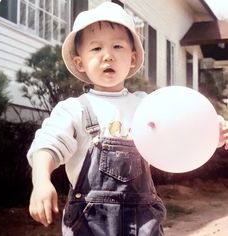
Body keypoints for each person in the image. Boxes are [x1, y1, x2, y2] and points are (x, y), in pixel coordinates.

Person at [27, 2, 228, 236]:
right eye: (96, 49)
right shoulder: (75, 109)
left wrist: (213, 133)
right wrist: (41, 181)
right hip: (90, 223)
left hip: (142, 222)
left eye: (117, 46)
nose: (108, 56)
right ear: (80, 62)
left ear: (132, 59)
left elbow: (182, 133)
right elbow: (46, 146)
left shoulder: (148, 105)